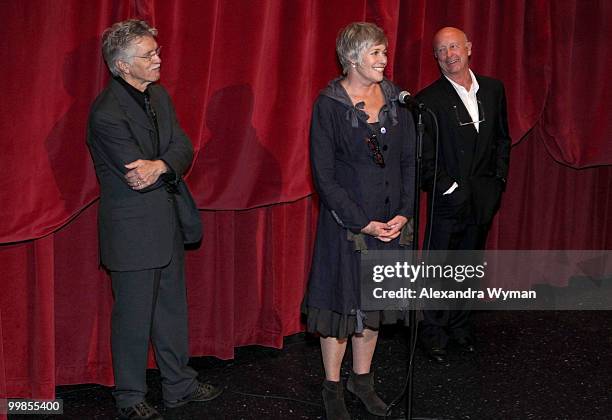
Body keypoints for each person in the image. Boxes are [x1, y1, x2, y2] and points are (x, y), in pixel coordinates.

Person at [87, 20, 222, 419]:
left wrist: (162, 163)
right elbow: (135, 174)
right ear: (122, 66)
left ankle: (178, 384)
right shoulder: (106, 113)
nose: (158, 59)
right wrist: (165, 163)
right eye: (149, 55)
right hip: (132, 231)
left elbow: (182, 147)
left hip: (167, 221)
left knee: (171, 311)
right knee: (132, 320)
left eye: (156, 51)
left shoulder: (159, 95)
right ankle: (129, 397)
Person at [303, 22, 416, 419]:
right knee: (341, 306)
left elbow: (407, 162)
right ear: (352, 58)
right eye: (375, 53)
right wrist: (361, 221)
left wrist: (403, 212)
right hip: (347, 224)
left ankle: (362, 381)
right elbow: (324, 175)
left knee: (374, 307)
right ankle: (332, 385)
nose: (384, 60)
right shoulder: (329, 104)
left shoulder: (396, 100)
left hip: (391, 222)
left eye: (384, 52)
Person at [416, 27, 511, 364]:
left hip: (483, 198)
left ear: (469, 47)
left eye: (454, 46)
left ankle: (460, 327)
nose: (449, 54)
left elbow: (502, 139)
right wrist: (448, 188)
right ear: (436, 58)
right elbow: (424, 159)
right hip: (448, 200)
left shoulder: (495, 89)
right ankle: (434, 334)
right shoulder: (427, 100)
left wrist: (497, 181)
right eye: (441, 50)